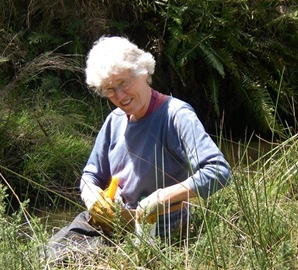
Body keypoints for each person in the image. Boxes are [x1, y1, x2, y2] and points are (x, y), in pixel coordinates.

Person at [46, 36, 232, 261]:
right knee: (49, 256)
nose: (120, 96)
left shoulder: (176, 115)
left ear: (143, 71)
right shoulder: (114, 120)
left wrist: (161, 198)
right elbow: (90, 174)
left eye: (123, 83)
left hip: (159, 228)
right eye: (110, 89)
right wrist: (92, 197)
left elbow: (219, 171)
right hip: (110, 223)